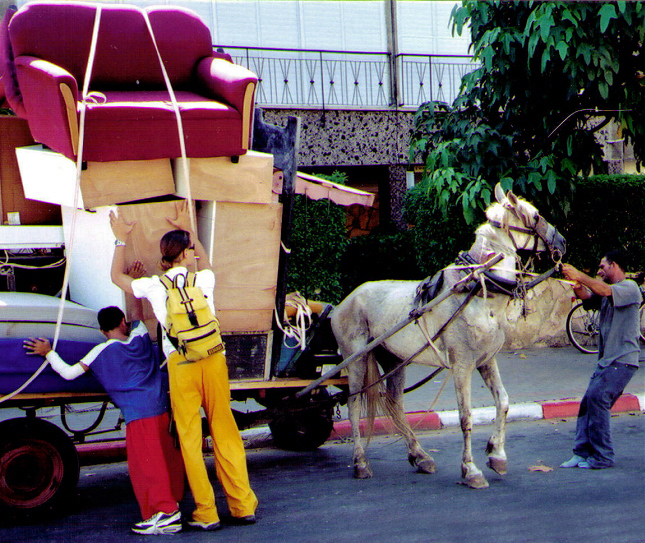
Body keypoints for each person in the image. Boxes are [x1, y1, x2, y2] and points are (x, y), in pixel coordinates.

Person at [109, 201, 258, 531]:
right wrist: (190, 229)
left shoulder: (153, 286)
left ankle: (206, 512)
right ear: (187, 253)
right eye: (190, 250)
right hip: (214, 360)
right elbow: (203, 259)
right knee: (224, 430)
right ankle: (242, 504)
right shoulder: (204, 280)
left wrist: (120, 239)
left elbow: (115, 277)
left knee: (190, 439)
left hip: (181, 363)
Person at [24, 306, 185, 535]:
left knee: (147, 467)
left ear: (101, 330)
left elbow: (68, 373)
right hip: (161, 408)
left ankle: (167, 514)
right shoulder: (140, 336)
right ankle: (172, 505)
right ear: (122, 322)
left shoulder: (99, 352)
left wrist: (48, 351)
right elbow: (139, 316)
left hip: (138, 415)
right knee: (168, 460)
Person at [560, 249, 641, 469]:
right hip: (607, 361)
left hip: (622, 360)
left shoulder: (629, 288)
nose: (599, 270)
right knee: (588, 403)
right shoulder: (609, 291)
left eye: (602, 266)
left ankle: (603, 456)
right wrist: (578, 287)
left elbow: (603, 291)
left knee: (598, 399)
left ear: (614, 266)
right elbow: (590, 296)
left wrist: (579, 274)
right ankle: (581, 452)